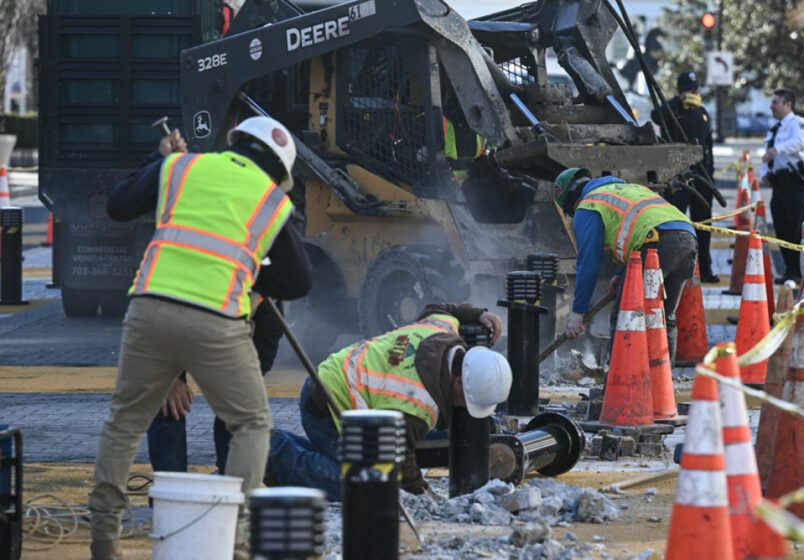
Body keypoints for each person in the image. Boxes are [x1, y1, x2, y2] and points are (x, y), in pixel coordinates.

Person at [88, 116, 312, 560]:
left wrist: (159, 162)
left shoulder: (181, 166)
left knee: (124, 421)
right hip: (217, 318)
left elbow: (118, 205)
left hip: (148, 307)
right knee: (250, 423)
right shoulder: (270, 200)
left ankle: (103, 539)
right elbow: (300, 281)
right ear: (279, 171)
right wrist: (254, 277)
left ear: (237, 143)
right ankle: (233, 539)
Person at [264, 302, 510, 500]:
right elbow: (399, 462)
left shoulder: (442, 330)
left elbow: (443, 309)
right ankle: (271, 455)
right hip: (328, 404)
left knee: (350, 463)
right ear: (458, 383)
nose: (465, 407)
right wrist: (423, 494)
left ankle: (276, 444)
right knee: (365, 485)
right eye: (468, 401)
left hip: (334, 377)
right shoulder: (419, 405)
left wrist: (476, 315)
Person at [555, 168, 697, 361]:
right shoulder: (629, 189)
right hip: (687, 241)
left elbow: (587, 264)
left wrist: (578, 313)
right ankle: (662, 386)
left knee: (626, 316)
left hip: (656, 246)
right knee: (663, 317)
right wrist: (622, 273)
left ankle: (619, 387)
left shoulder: (588, 205)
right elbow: (637, 227)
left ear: (572, 201)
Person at [145, 297, 285, 475]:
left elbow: (266, 341)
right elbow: (157, 314)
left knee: (238, 410)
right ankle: (170, 488)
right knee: (168, 404)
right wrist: (169, 377)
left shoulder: (265, 299)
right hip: (173, 319)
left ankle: (232, 488)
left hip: (239, 322)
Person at [651, 70, 717, 283]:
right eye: (688, 90)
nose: (692, 93)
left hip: (701, 176)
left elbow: (709, 145)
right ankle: (674, 271)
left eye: (694, 89)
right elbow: (655, 115)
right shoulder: (672, 109)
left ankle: (705, 269)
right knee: (676, 224)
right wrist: (676, 102)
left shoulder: (702, 112)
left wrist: (711, 178)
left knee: (703, 225)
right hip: (676, 176)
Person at [761, 88, 804, 284]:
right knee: (781, 227)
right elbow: (767, 153)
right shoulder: (776, 128)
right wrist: (765, 174)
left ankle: (799, 271)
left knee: (794, 227)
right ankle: (789, 269)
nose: (771, 106)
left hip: (796, 182)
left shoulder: (799, 123)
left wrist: (778, 150)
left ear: (787, 104)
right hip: (779, 184)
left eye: (776, 102)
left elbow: (800, 143)